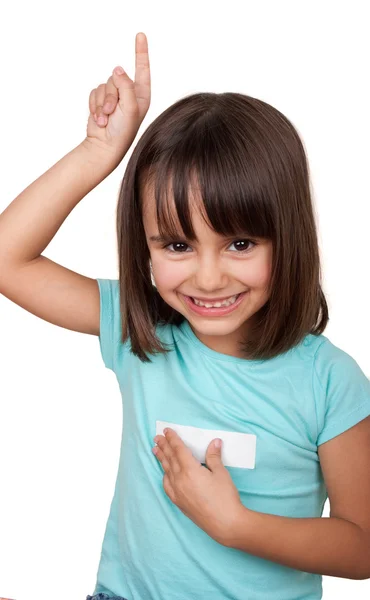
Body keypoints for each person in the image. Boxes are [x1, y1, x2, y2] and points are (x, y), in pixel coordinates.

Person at [0, 31, 369, 600]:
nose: (209, 277)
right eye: (177, 246)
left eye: (240, 244)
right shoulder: (139, 329)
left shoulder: (329, 379)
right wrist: (99, 153)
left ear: (288, 238)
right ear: (143, 245)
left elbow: (361, 545)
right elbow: (8, 260)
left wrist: (235, 525)